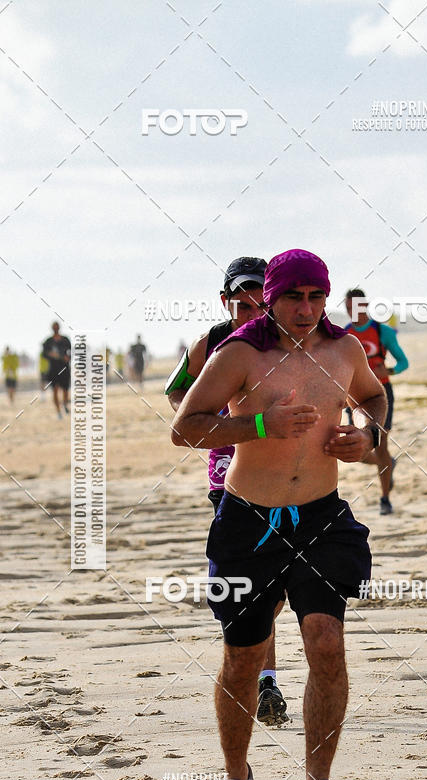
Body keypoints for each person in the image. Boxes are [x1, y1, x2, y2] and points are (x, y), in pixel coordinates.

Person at [171, 248, 385, 780]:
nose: (307, 308)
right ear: (271, 296)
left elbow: (373, 396)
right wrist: (260, 426)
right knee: (244, 657)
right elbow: (184, 428)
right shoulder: (239, 352)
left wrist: (364, 436)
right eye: (294, 297)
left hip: (320, 517)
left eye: (317, 296)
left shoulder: (344, 349)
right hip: (247, 522)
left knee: (327, 642)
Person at [166, 257, 289, 726]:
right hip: (228, 476)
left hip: (281, 475)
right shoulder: (212, 342)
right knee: (249, 585)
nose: (251, 311)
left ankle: (265, 673)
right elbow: (176, 389)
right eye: (241, 303)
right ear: (225, 301)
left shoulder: (288, 339)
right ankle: (264, 679)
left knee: (274, 588)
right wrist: (205, 418)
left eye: (259, 302)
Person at [344, 288, 409, 515]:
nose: (353, 311)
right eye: (348, 307)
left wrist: (389, 369)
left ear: (365, 306)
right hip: (352, 396)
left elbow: (403, 362)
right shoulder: (344, 335)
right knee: (357, 451)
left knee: (380, 445)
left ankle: (385, 498)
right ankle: (388, 464)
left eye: (357, 306)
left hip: (381, 393)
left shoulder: (382, 332)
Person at [42, 322, 71, 418]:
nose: (55, 329)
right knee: (54, 390)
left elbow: (71, 352)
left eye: (57, 327)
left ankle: (65, 405)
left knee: (65, 390)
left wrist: (67, 357)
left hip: (64, 369)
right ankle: (58, 411)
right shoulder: (48, 341)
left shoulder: (65, 340)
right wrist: (52, 355)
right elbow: (44, 354)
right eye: (54, 327)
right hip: (53, 370)